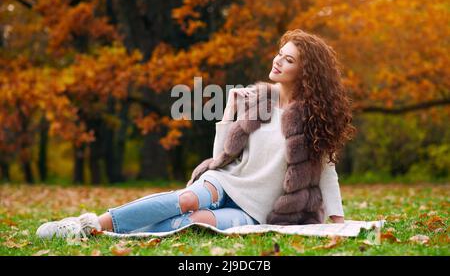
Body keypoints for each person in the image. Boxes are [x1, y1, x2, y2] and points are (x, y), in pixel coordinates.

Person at [36, 29, 354, 239]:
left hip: (255, 210)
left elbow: (328, 172)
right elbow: (222, 157)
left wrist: (338, 221)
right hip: (225, 182)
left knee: (194, 221)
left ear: (306, 71)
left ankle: (109, 236)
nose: (278, 60)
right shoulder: (255, 101)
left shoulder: (314, 120)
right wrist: (227, 115)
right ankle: (86, 225)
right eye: (279, 53)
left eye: (289, 59)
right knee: (187, 199)